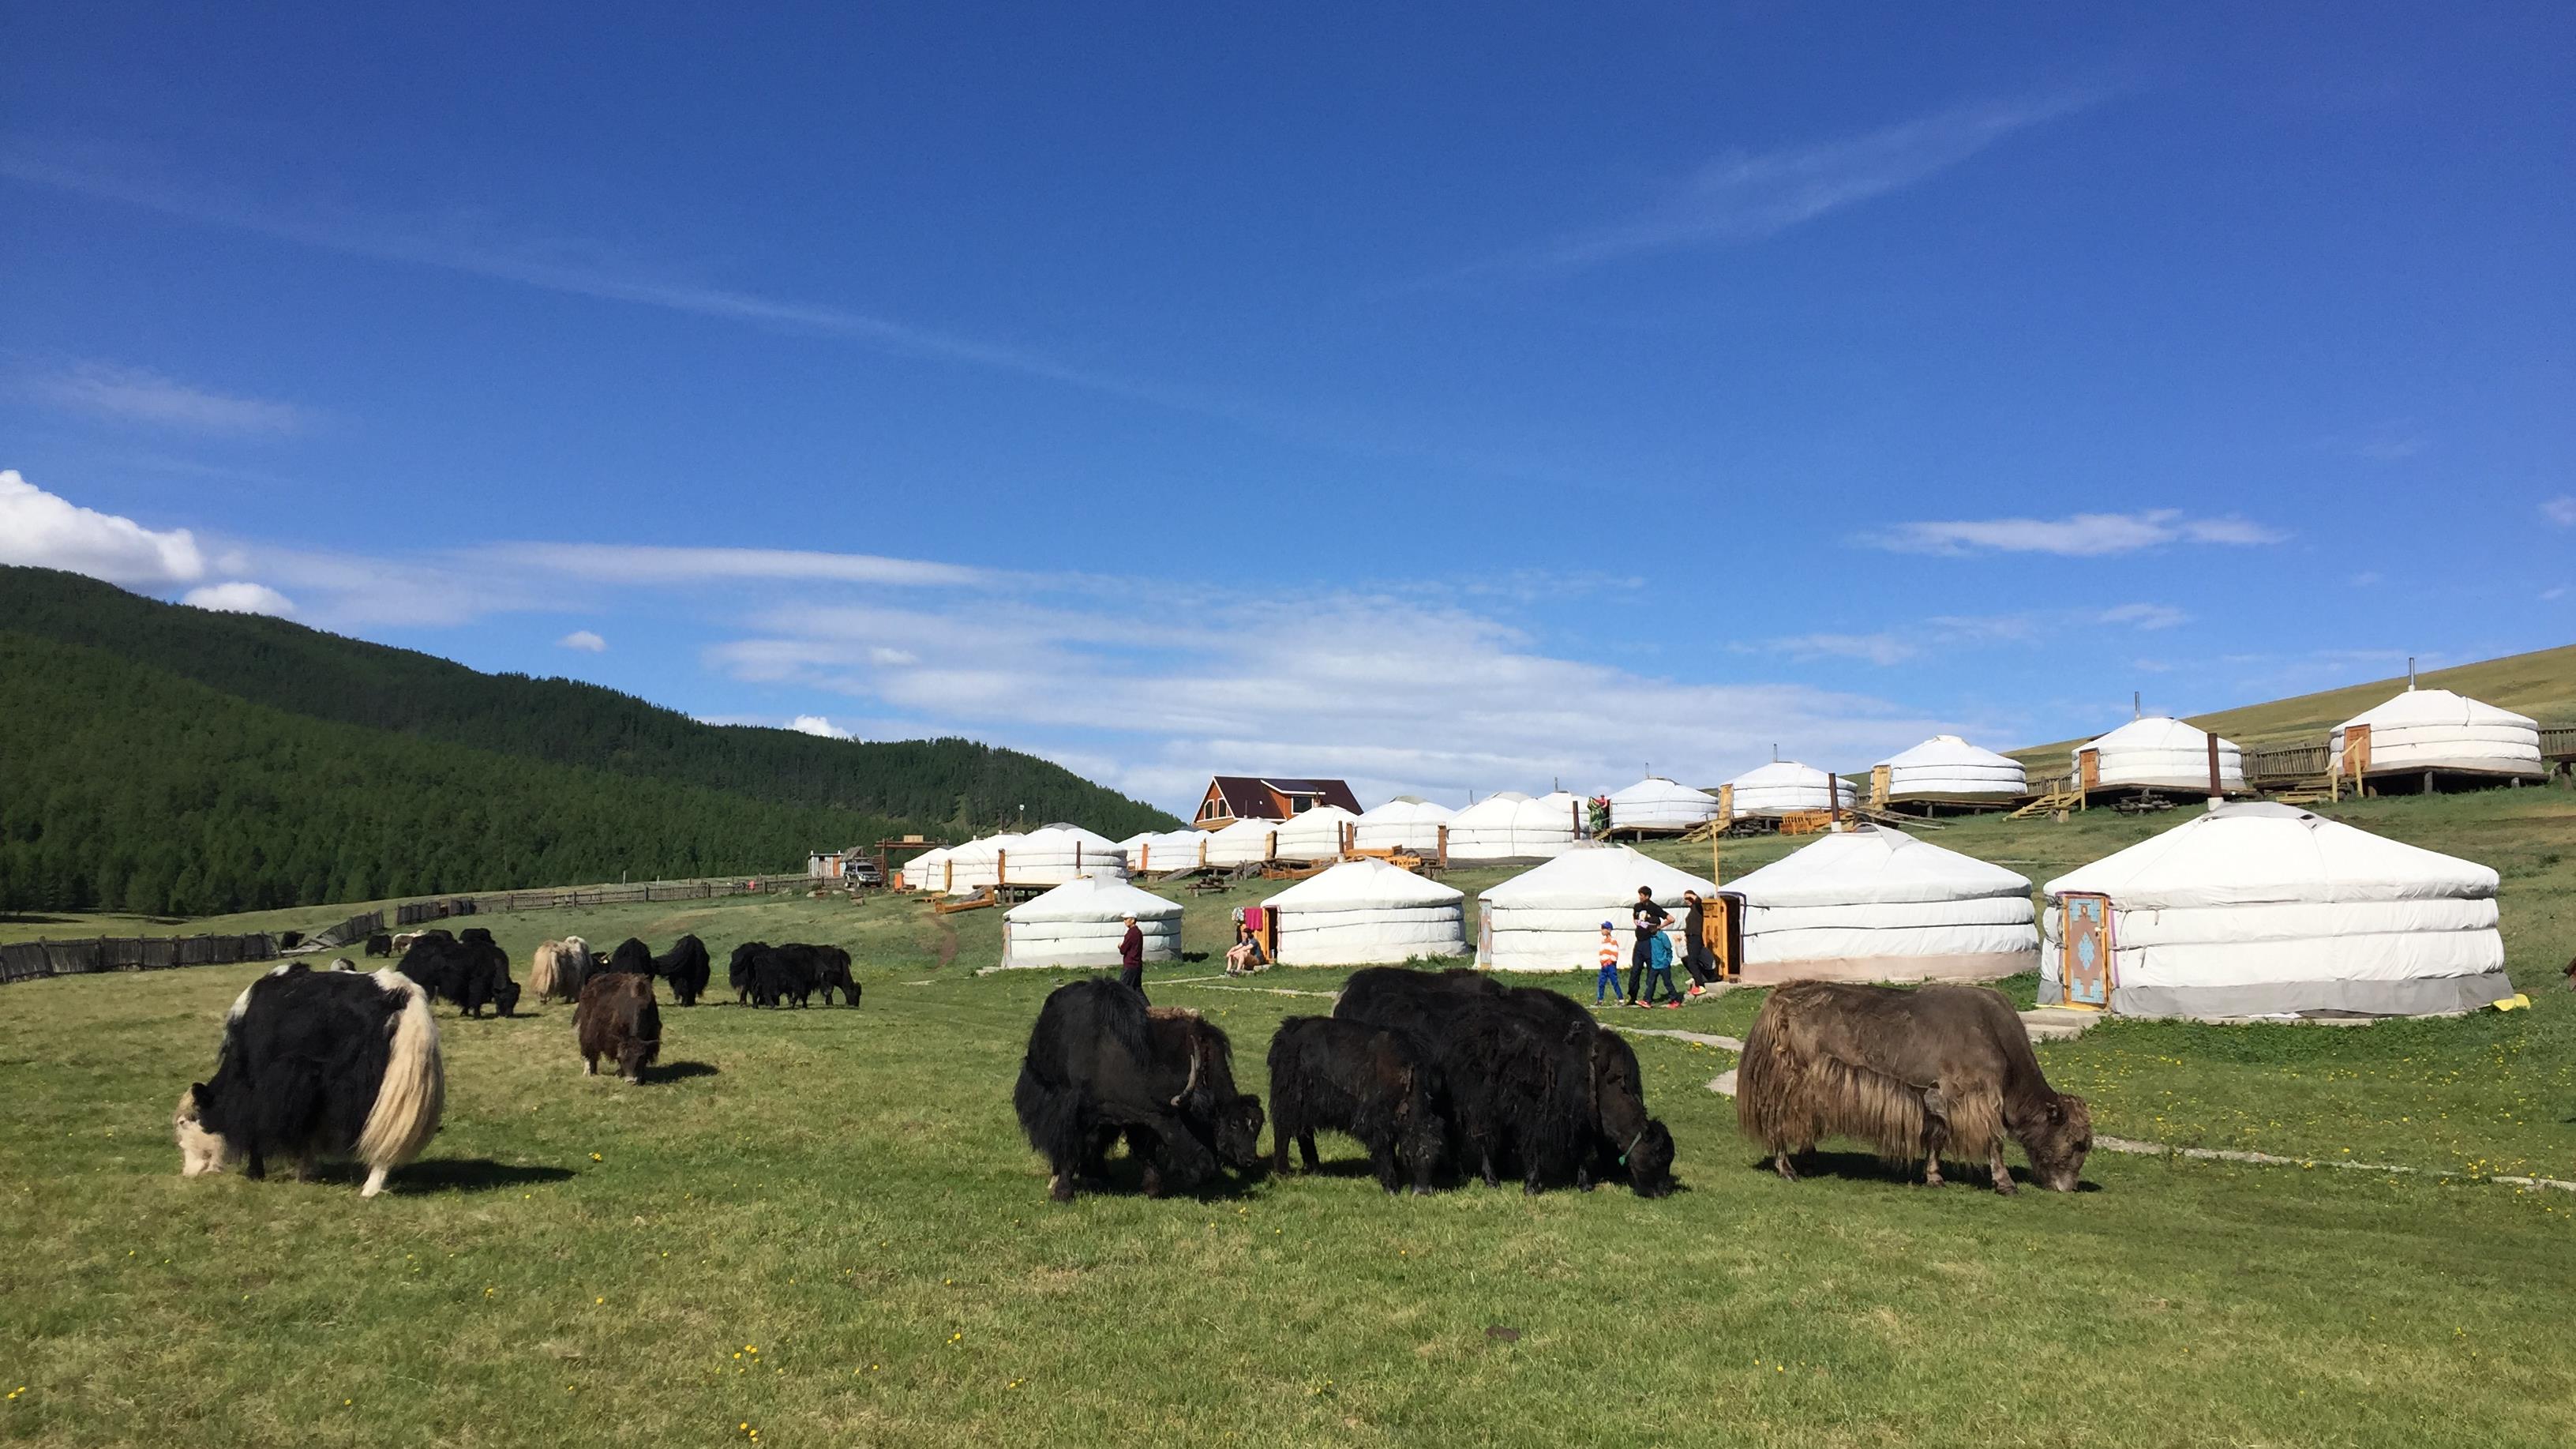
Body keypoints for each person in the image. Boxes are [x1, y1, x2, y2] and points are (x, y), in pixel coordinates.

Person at [1625, 887, 1670, 1006]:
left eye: (1642, 895)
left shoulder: (1654, 908)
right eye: (1639, 895)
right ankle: (1632, 996)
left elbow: (1670, 919)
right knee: (1635, 971)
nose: (1640, 897)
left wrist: (1659, 928)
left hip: (1650, 943)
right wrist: (1640, 924)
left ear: (1647, 896)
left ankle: (1648, 997)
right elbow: (1635, 918)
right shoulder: (1637, 907)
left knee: (1651, 972)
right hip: (1639, 943)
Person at [1679, 889, 1719, 997]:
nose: (1687, 901)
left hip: (1695, 938)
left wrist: (1692, 895)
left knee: (1692, 962)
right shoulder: (1691, 910)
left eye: (1688, 899)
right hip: (1691, 938)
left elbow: (1699, 901)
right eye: (1685, 899)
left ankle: (1700, 985)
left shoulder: (1698, 908)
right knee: (1691, 961)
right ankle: (1698, 982)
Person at [1643, 923, 1682, 1008]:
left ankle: (1675, 1000)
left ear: (1657, 926)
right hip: (1654, 964)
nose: (1651, 929)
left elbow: (1669, 950)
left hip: (1663, 964)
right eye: (1650, 927)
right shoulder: (1650, 936)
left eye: (1653, 927)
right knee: (1650, 983)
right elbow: (1640, 924)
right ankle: (1647, 1000)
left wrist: (1667, 961)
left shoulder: (1663, 937)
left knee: (1667, 983)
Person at [1592, 921, 1622, 1005]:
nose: (1601, 930)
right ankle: (1600, 1000)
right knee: (1601, 983)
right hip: (1604, 965)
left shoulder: (1613, 941)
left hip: (1610, 965)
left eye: (1603, 928)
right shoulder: (1603, 941)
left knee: (1614, 982)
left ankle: (1621, 999)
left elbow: (1614, 953)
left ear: (1609, 930)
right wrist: (1602, 961)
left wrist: (1609, 962)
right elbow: (1602, 953)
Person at [1117, 912, 1146, 998]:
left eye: (1126, 919)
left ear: (1133, 920)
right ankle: (1147, 1008)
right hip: (1137, 965)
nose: (1124, 921)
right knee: (1137, 989)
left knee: (1121, 988)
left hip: (1130, 965)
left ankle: (1123, 1008)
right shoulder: (1138, 932)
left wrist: (1120, 946)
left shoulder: (1131, 933)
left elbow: (1123, 950)